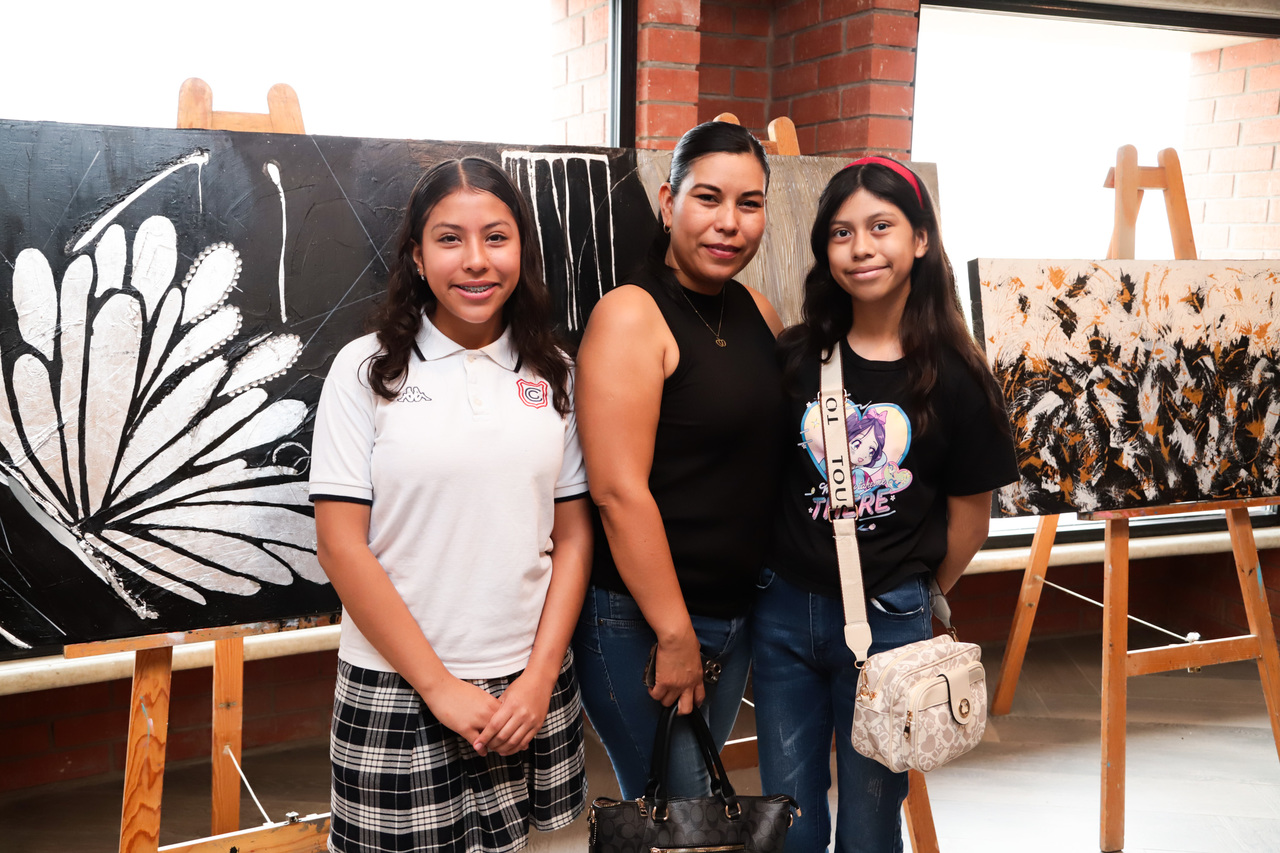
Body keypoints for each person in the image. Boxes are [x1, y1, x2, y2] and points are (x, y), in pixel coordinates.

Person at [309, 157, 592, 853]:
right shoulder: (365, 370)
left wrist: (540, 676)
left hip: (528, 686)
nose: (475, 261)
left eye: (496, 237)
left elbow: (574, 537)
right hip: (399, 684)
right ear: (416, 255)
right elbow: (340, 545)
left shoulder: (556, 372)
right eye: (448, 239)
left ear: (522, 248)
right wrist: (438, 686)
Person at [753, 157, 1018, 852]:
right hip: (783, 614)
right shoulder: (795, 356)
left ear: (921, 239)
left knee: (871, 821)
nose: (860, 247)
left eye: (881, 227)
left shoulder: (957, 376)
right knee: (788, 813)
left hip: (891, 616)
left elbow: (971, 519)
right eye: (841, 233)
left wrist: (914, 595)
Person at [571, 120, 787, 798]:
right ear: (668, 203)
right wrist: (673, 631)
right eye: (708, 198)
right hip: (642, 621)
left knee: (683, 819)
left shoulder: (758, 311)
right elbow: (617, 491)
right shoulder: (631, 315)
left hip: (733, 615)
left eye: (749, 204)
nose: (729, 223)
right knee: (683, 819)